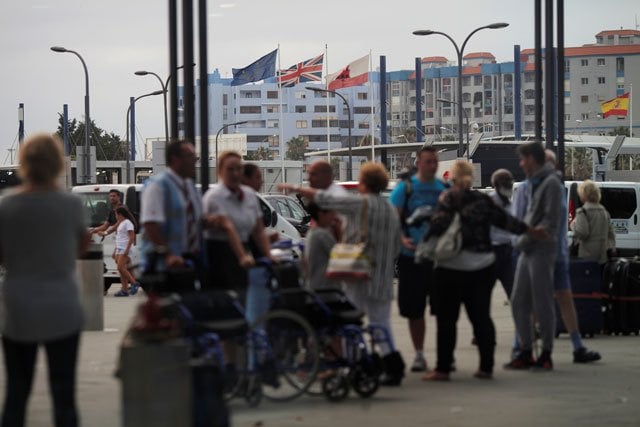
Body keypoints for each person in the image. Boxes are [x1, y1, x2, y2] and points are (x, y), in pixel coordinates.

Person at [281, 162, 404, 386]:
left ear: (364, 183)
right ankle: (392, 365)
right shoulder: (390, 209)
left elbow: (327, 201)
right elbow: (396, 245)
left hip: (358, 272)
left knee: (349, 322)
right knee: (381, 323)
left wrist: (296, 188)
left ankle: (354, 364)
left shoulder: (361, 203)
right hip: (384, 276)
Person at [423, 161, 545, 381]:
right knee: (481, 317)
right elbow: (505, 221)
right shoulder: (482, 200)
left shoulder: (449, 198)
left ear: (452, 178)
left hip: (451, 267)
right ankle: (486, 367)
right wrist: (531, 230)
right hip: (482, 266)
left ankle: (442, 369)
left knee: (447, 320)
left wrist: (423, 245)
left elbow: (437, 225)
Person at [0, 133, 90, 427]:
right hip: (62, 304)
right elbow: (82, 245)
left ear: (24, 163)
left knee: (17, 392)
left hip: (18, 307)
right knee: (64, 393)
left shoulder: (6, 206)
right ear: (57, 163)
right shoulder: (72, 204)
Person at [510, 150, 602, 364]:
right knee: (533, 302)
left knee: (563, 298)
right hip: (536, 252)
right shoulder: (526, 189)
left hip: (557, 253)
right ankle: (521, 345)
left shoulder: (555, 187)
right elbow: (520, 220)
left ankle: (576, 346)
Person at [141, 141, 248, 289]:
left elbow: (195, 219)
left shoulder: (190, 187)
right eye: (190, 156)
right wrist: (168, 254)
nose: (194, 161)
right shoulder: (158, 186)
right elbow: (150, 224)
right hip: (165, 265)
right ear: (175, 159)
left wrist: (210, 221)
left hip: (189, 261)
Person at [505, 142, 564, 371]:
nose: (521, 164)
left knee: (542, 302)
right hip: (527, 248)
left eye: (524, 159)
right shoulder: (533, 183)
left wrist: (525, 235)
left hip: (541, 248)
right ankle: (526, 350)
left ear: (533, 159)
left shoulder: (551, 183)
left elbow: (549, 223)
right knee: (519, 301)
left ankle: (546, 353)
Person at [389, 145, 446, 373]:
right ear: (419, 163)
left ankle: (445, 356)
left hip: (439, 259)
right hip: (411, 258)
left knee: (444, 310)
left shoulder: (444, 188)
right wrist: (402, 239)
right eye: (428, 161)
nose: (432, 165)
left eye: (435, 161)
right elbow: (393, 219)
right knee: (415, 310)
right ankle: (419, 354)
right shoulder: (406, 188)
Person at [203, 151, 269, 295]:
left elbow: (258, 230)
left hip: (244, 250)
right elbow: (227, 227)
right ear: (220, 171)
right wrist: (242, 257)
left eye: (238, 169)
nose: (235, 174)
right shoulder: (213, 197)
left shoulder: (250, 195)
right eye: (230, 169)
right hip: (220, 254)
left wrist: (268, 255)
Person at [571, 180, 616, 265]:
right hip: (602, 256)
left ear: (584, 195)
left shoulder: (582, 212)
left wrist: (573, 225)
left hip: (586, 256)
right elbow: (611, 234)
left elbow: (582, 233)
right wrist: (611, 248)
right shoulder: (604, 212)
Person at [489, 169, 517, 299]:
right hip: (491, 252)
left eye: (510, 184)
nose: (509, 187)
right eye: (506, 184)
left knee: (514, 294)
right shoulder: (489, 202)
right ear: (497, 185)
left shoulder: (512, 204)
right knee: (483, 294)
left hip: (508, 251)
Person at [304, 203, 341, 290]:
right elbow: (340, 257)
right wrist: (340, 233)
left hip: (316, 287)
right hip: (325, 290)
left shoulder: (313, 232)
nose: (334, 216)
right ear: (321, 215)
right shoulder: (322, 234)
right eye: (331, 213)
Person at [112, 206, 141, 297]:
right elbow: (119, 238)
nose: (115, 216)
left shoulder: (128, 223)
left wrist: (127, 250)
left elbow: (132, 237)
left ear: (120, 214)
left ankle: (134, 283)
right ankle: (124, 290)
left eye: (116, 214)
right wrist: (115, 250)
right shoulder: (121, 223)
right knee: (123, 269)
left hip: (125, 248)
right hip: (120, 248)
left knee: (120, 268)